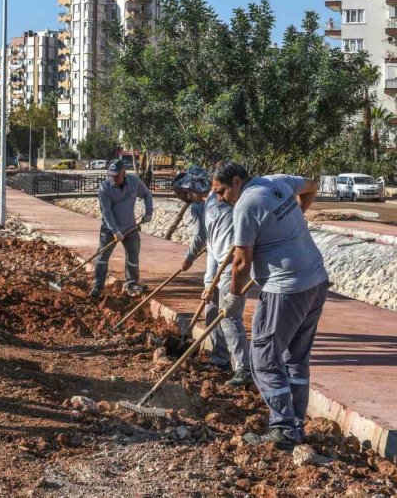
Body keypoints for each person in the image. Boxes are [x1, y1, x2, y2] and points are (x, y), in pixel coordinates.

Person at [211, 160, 328, 450]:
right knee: (296, 359)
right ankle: (296, 423)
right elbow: (312, 185)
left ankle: (284, 430)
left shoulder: (245, 206)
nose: (219, 197)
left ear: (237, 181)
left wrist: (233, 298)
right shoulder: (277, 181)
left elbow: (241, 262)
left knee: (263, 359)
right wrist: (297, 215)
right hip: (315, 279)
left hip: (285, 288)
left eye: (222, 190)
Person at [172, 166, 251, 387]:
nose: (186, 197)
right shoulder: (207, 207)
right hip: (219, 266)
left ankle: (244, 368)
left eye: (186, 192)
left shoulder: (220, 206)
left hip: (232, 267)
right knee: (212, 312)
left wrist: (216, 276)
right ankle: (220, 360)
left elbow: (227, 247)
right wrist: (209, 283)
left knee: (229, 316)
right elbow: (212, 248)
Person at [90, 159, 154, 298]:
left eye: (116, 175)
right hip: (109, 229)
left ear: (123, 173)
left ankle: (131, 285)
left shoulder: (133, 182)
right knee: (102, 256)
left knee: (133, 256)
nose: (112, 178)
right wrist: (115, 231)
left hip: (130, 227)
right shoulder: (105, 188)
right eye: (110, 175)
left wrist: (149, 212)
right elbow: (106, 212)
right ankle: (97, 286)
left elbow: (147, 195)